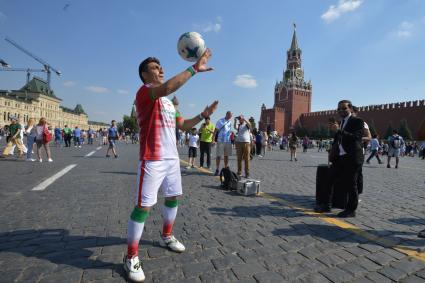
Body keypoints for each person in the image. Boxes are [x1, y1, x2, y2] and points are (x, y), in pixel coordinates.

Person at [124, 50, 218, 282]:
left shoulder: (167, 102)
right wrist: (194, 68)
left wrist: (203, 115)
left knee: (173, 197)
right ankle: (131, 256)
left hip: (172, 158)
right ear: (145, 75)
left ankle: (167, 235)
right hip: (152, 158)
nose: (160, 69)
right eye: (155, 67)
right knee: (143, 207)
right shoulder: (145, 93)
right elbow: (167, 88)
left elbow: (184, 125)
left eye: (161, 66)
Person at [328, 100, 364, 218]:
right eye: (339, 109)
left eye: (344, 108)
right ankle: (328, 202)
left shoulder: (357, 121)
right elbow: (338, 139)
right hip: (340, 157)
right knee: (331, 177)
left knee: (351, 184)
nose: (341, 111)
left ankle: (351, 209)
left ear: (351, 109)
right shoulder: (340, 122)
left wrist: (339, 130)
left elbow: (356, 137)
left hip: (353, 157)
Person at [213, 111, 233, 176]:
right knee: (219, 156)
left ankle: (226, 168)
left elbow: (229, 132)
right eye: (230, 115)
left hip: (228, 141)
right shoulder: (220, 121)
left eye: (231, 116)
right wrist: (213, 139)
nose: (230, 117)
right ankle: (217, 169)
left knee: (226, 156)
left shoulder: (230, 122)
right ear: (227, 114)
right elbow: (215, 131)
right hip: (220, 141)